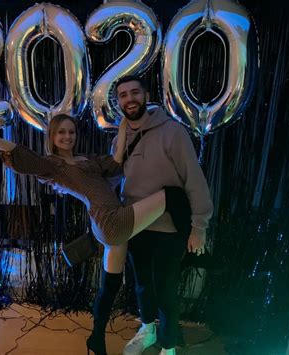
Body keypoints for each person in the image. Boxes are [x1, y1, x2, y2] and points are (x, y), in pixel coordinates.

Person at [0, 106, 190, 355]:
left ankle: (96, 340)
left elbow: (115, 163)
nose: (67, 137)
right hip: (111, 221)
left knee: (109, 285)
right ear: (53, 137)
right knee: (174, 196)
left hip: (106, 221)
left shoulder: (87, 160)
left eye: (71, 132)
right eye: (61, 133)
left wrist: (124, 126)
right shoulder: (52, 165)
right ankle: (189, 247)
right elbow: (12, 149)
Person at [112, 75, 213, 355]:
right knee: (143, 284)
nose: (129, 99)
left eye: (134, 92)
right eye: (123, 95)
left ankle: (168, 345)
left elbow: (194, 179)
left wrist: (199, 226)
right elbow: (114, 177)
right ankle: (148, 329)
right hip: (135, 225)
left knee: (166, 290)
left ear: (145, 95)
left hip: (169, 228)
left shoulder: (172, 132)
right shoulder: (120, 137)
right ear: (118, 101)